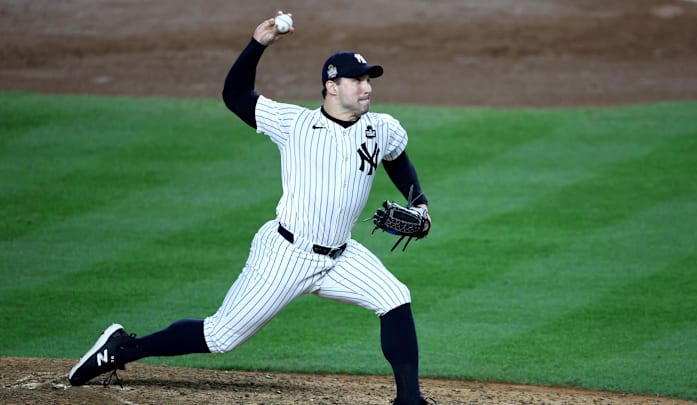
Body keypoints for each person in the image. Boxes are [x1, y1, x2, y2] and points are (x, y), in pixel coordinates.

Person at [68, 11, 433, 405]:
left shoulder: (381, 127)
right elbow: (235, 95)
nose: (366, 88)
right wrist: (258, 43)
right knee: (220, 336)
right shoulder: (294, 124)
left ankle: (409, 400)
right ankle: (121, 349)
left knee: (394, 297)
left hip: (342, 255)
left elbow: (396, 157)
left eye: (368, 79)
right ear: (331, 86)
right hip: (287, 254)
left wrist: (421, 204)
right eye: (357, 79)